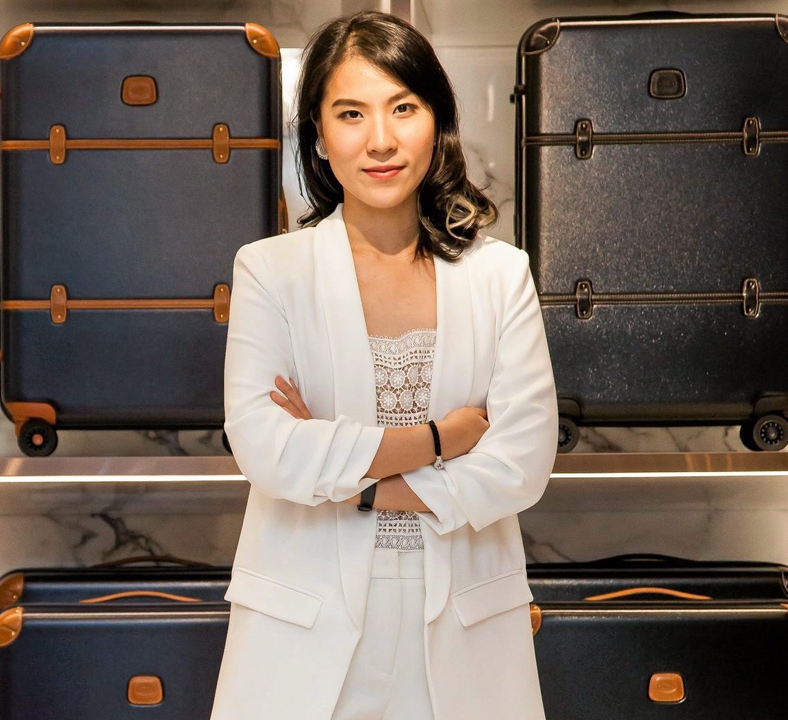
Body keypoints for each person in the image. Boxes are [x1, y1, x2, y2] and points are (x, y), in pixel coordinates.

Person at [211, 11, 558, 720]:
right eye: (351, 113)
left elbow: (521, 462)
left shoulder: (501, 275)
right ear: (318, 134)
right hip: (300, 631)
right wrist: (440, 439)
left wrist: (355, 485)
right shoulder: (270, 272)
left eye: (403, 108)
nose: (380, 140)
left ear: (437, 121)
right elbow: (268, 450)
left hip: (467, 629)